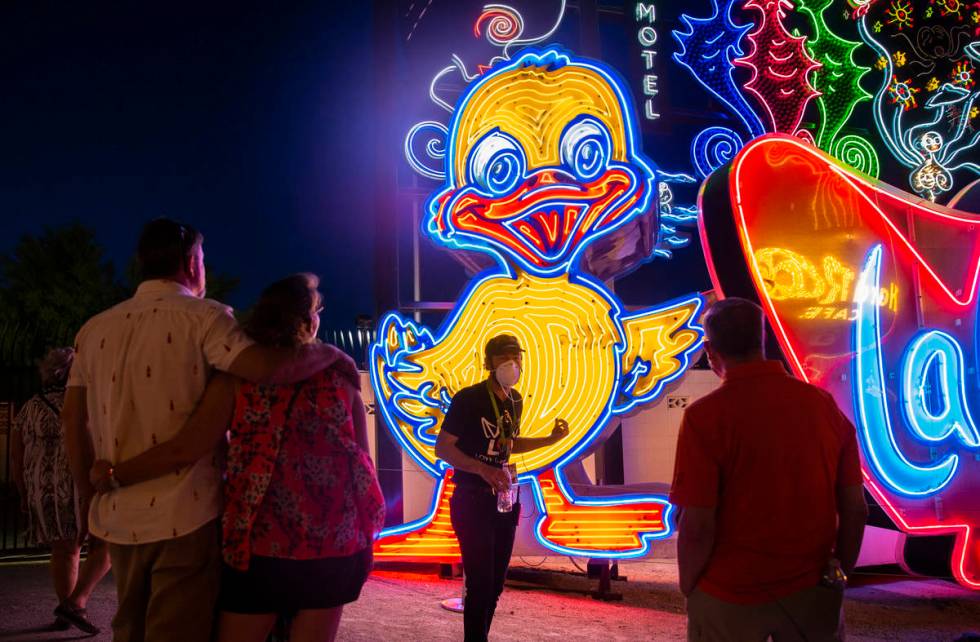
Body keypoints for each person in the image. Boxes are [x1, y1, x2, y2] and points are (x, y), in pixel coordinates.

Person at [63, 219, 350, 642]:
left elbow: (73, 419)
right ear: (192, 262)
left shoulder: (94, 328)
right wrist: (327, 353)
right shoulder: (206, 318)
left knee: (130, 626)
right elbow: (265, 369)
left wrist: (92, 491)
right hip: (186, 516)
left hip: (117, 514)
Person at [670, 297, 869, 641]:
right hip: (810, 589)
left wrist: (689, 583)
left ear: (709, 350)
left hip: (727, 592)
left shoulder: (706, 417)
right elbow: (855, 507)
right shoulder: (822, 407)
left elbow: (698, 523)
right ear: (762, 341)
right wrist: (840, 571)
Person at [434, 334, 570, 642]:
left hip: (505, 502)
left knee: (494, 585)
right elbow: (443, 448)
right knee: (480, 584)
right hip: (472, 499)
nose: (513, 363)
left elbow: (508, 443)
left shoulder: (515, 400)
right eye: (504, 357)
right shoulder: (469, 399)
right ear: (489, 362)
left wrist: (549, 440)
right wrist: (482, 468)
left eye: (517, 356)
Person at [11, 347, 111, 634]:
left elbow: (17, 455)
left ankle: (66, 610)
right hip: (80, 486)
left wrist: (23, 490)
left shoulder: (31, 406)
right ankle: (75, 602)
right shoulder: (84, 403)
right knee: (106, 544)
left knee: (64, 550)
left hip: (42, 491)